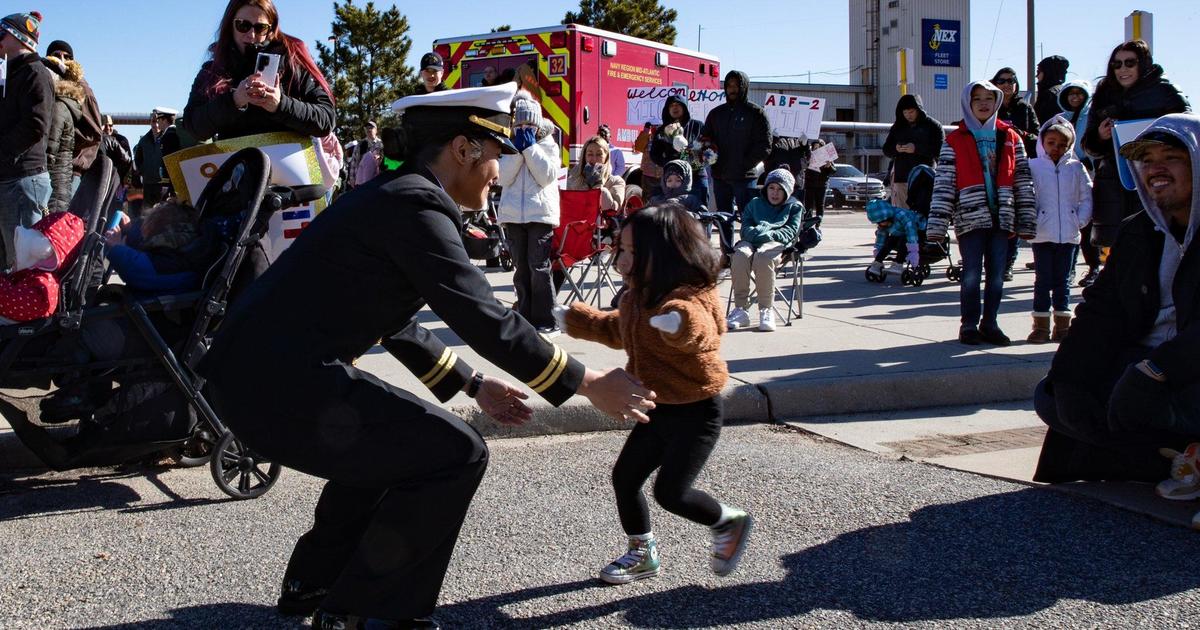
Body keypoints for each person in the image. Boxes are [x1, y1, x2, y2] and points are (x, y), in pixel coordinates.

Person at [197, 83, 657, 629]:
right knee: (455, 452)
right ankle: (364, 612)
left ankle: (315, 584)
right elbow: (486, 317)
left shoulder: (395, 196)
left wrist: (472, 385)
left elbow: (393, 319)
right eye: (493, 155)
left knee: (391, 443)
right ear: (462, 149)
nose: (497, 172)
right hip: (276, 383)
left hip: (260, 378)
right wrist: (588, 382)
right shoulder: (415, 204)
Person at [555, 203, 752, 585]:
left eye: (631, 251)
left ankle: (729, 521)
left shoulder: (691, 294)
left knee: (671, 493)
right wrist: (577, 321)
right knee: (625, 478)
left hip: (697, 411)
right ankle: (641, 553)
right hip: (657, 406)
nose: (622, 258)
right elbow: (618, 331)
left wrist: (677, 324)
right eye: (622, 249)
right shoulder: (637, 296)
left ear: (661, 253)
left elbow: (702, 330)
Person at [1033, 113, 1200, 487]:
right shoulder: (1138, 231)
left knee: (1152, 400)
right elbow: (1101, 311)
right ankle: (1164, 459)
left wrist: (1158, 371)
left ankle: (1156, 456)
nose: (1156, 168)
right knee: (1053, 395)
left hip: (1182, 371)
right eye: (1146, 160)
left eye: (1171, 157)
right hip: (1143, 366)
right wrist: (1071, 378)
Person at [927, 80, 1036, 346]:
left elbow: (1022, 179)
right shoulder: (954, 140)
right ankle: (968, 324)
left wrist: (1027, 219)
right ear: (968, 103)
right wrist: (938, 225)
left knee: (997, 275)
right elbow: (944, 184)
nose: (984, 103)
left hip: (1003, 218)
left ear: (998, 101)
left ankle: (991, 323)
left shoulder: (1011, 137)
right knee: (972, 273)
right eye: (977, 99)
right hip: (970, 218)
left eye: (989, 98)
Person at [1083, 40, 1190, 249]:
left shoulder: (1165, 91)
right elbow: (1088, 145)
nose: (1123, 69)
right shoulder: (1104, 93)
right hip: (1115, 181)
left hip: (1158, 176)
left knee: (1160, 242)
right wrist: (1101, 135)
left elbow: (1187, 131)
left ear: (1143, 63)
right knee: (1117, 250)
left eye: (1130, 63)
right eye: (1117, 64)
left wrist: (1160, 134)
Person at [182, 0, 335, 143]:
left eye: (260, 27)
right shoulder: (214, 70)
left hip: (287, 166)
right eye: (243, 25)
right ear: (230, 26)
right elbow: (192, 127)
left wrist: (280, 105)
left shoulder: (292, 63)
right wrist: (234, 100)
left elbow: (326, 119)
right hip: (238, 167)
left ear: (271, 30)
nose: (251, 35)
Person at [1026, 114, 1093, 343]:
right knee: (1043, 280)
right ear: (1042, 142)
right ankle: (1040, 327)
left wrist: (1080, 220)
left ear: (1070, 145)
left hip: (1069, 235)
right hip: (1042, 234)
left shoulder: (1076, 167)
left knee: (1063, 281)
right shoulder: (1032, 166)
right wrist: (1032, 221)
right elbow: (1026, 196)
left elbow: (1086, 196)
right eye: (1051, 143)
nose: (1056, 148)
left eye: (1062, 144)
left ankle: (1062, 327)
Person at [497, 90, 560, 333]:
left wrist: (531, 149)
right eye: (519, 123)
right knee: (521, 267)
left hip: (540, 214)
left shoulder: (548, 144)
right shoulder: (509, 145)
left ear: (536, 124)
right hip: (513, 215)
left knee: (539, 266)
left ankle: (547, 319)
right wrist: (517, 151)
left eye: (528, 124)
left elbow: (546, 176)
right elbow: (503, 177)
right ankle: (524, 315)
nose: (524, 128)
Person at [0, 10, 53, 272]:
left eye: (1, 34)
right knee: (15, 259)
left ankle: (33, 313)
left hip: (24, 179)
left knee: (28, 262)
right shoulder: (15, 74)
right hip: (12, 177)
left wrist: (3, 150)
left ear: (17, 37)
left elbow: (36, 125)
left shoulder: (35, 72)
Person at [726, 168, 803, 333]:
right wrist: (758, 235)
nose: (775, 193)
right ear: (766, 188)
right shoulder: (754, 204)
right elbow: (745, 229)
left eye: (780, 189)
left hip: (776, 244)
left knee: (763, 256)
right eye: (771, 188)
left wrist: (765, 234)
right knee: (739, 255)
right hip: (751, 241)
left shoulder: (794, 207)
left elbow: (789, 232)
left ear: (787, 191)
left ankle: (766, 310)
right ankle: (740, 310)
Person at [991, 68, 1040, 280]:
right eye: (1001, 81)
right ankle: (995, 260)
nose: (1006, 85)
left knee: (1013, 215)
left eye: (1011, 81)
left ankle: (1008, 262)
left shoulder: (1025, 108)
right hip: (994, 167)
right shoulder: (990, 106)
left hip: (1018, 166)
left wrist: (1020, 134)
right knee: (997, 217)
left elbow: (1037, 137)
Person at [702, 71, 770, 221]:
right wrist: (709, 156)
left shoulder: (756, 113)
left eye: (736, 86)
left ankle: (748, 244)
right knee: (723, 219)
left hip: (745, 177)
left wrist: (744, 164)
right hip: (720, 176)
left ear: (744, 87)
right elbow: (705, 140)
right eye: (729, 86)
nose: (732, 89)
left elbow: (765, 145)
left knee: (748, 218)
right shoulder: (716, 114)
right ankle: (726, 245)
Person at [1055, 79, 1102, 287]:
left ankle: (1094, 267)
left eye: (1079, 94)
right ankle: (1069, 268)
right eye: (1071, 94)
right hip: (1066, 176)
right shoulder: (1060, 119)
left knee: (1088, 224)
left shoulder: (1093, 117)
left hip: (1090, 175)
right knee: (1070, 224)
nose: (1075, 97)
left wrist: (1088, 159)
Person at [0, 211, 83, 324]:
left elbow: (11, 301)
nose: (14, 258)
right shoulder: (33, 273)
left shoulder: (44, 289)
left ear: (42, 253)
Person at [45, 39, 102, 189]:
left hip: (70, 168)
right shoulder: (43, 82)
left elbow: (93, 133)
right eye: (56, 55)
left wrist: (63, 136)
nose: (62, 60)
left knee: (61, 211)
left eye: (67, 57)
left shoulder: (83, 89)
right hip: (44, 165)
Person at [882, 94, 945, 209]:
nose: (908, 116)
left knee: (923, 214)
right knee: (903, 216)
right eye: (905, 113)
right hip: (902, 179)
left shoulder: (933, 126)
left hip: (925, 179)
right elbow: (886, 149)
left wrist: (916, 149)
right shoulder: (898, 126)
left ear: (918, 110)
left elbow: (940, 151)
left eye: (911, 112)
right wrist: (896, 148)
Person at [43, 55, 83, 213]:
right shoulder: (63, 104)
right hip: (60, 183)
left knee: (46, 233)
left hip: (53, 184)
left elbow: (49, 150)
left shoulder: (58, 106)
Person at [651, 95, 703, 196]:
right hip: (672, 179)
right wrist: (669, 163)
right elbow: (654, 154)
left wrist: (691, 156)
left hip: (697, 177)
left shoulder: (698, 126)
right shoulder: (662, 131)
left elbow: (706, 149)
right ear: (667, 110)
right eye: (671, 106)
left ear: (684, 107)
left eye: (678, 105)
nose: (675, 107)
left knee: (698, 208)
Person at [865, 198, 923, 275]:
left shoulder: (902, 215)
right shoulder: (883, 222)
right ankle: (877, 263)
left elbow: (911, 231)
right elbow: (881, 236)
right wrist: (878, 250)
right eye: (879, 223)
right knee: (890, 241)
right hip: (899, 232)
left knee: (904, 241)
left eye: (882, 222)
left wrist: (913, 252)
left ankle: (898, 263)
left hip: (917, 230)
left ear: (888, 217)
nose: (881, 224)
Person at [567, 135, 625, 212]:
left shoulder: (617, 182)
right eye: (590, 154)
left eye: (599, 154)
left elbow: (614, 210)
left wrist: (597, 185)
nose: (594, 159)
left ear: (606, 156)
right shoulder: (573, 179)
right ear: (585, 157)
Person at [133, 108, 177, 209]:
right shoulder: (144, 141)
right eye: (153, 121)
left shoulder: (168, 138)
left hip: (162, 185)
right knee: (147, 213)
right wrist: (143, 172)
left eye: (158, 121)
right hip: (148, 184)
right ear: (150, 122)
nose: (156, 125)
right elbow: (138, 159)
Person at [1034, 55, 1070, 127]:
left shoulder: (1049, 95)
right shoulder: (1065, 92)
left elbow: (1043, 124)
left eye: (1039, 71)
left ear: (1048, 72)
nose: (1037, 76)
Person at [804, 139, 835, 224]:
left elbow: (834, 170)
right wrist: (808, 164)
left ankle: (818, 222)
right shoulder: (809, 155)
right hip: (810, 184)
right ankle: (808, 222)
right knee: (808, 204)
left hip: (821, 184)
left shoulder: (827, 157)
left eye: (819, 147)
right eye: (815, 147)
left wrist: (829, 166)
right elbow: (804, 168)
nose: (817, 149)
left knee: (820, 204)